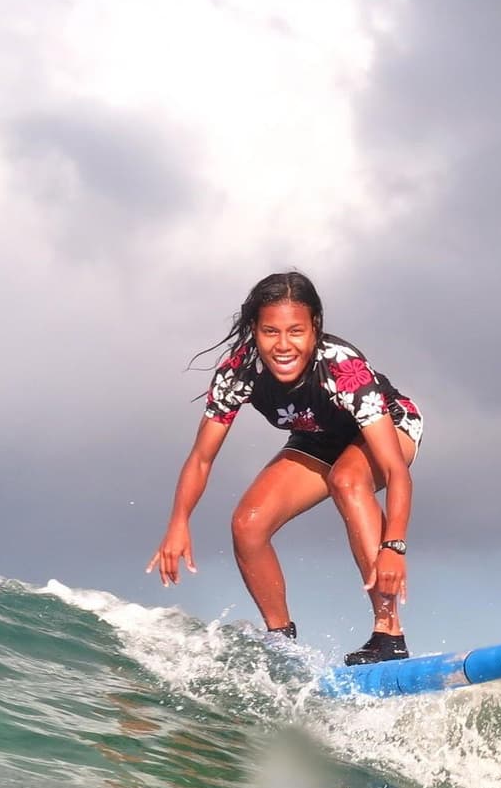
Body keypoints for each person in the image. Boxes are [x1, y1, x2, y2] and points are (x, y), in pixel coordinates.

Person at [146, 271, 423, 665]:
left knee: (347, 479)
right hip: (317, 439)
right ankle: (281, 643)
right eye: (270, 332)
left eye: (296, 331)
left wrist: (393, 546)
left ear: (315, 329)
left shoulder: (342, 368)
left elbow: (396, 471)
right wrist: (178, 521)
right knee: (248, 523)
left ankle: (388, 636)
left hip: (391, 428)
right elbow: (201, 458)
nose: (283, 345)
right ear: (255, 332)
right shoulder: (239, 372)